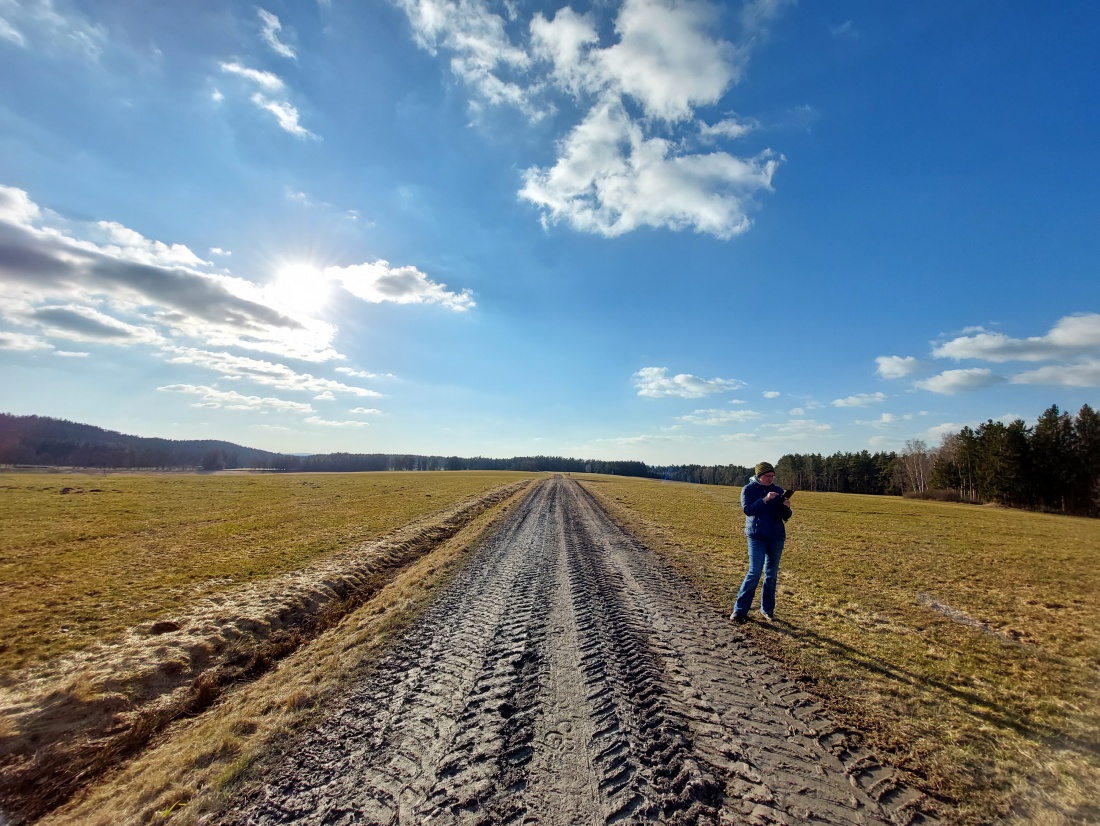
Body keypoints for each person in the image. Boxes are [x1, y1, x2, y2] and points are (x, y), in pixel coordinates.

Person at [731, 461, 792, 624]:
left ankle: (767, 611)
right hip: (757, 536)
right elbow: (748, 510)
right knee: (755, 572)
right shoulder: (749, 489)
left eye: (773, 476)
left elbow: (784, 516)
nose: (771, 479)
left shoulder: (778, 491)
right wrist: (765, 499)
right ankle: (739, 610)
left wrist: (786, 507)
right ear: (759, 476)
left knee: (771, 575)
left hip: (776, 537)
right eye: (767, 476)